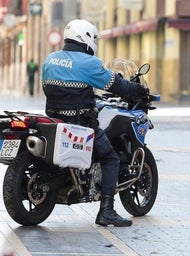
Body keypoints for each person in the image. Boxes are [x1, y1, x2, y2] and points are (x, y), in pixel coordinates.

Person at [41, 19, 148, 227]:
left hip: (54, 119)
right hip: (81, 123)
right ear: (87, 38)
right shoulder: (89, 63)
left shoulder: (50, 59)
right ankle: (107, 211)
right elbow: (117, 85)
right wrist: (139, 90)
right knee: (111, 158)